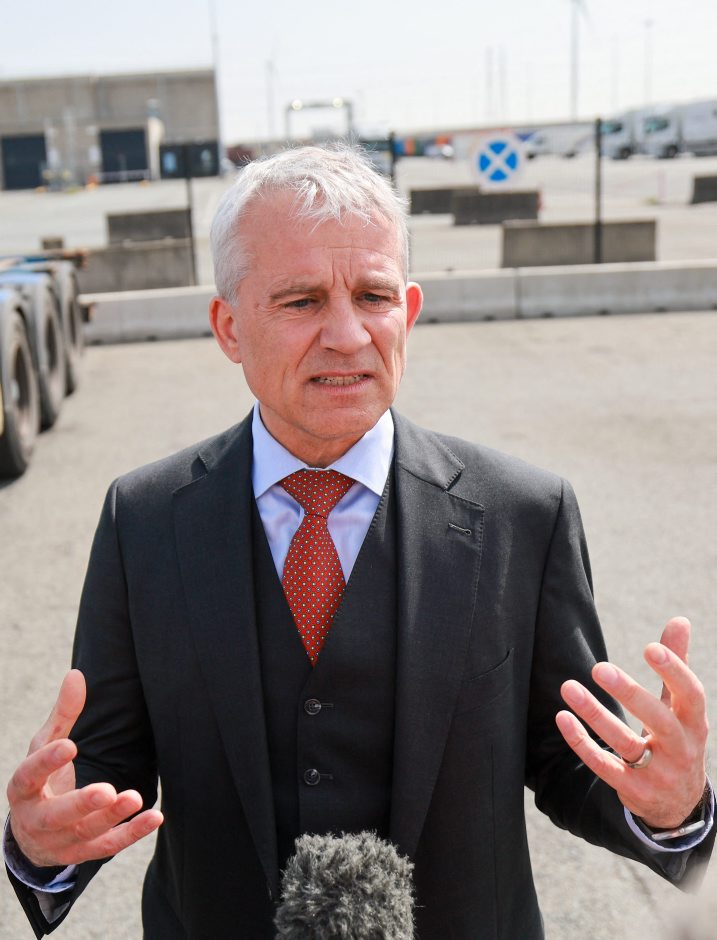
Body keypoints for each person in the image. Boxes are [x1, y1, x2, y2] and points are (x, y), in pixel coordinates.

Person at [4, 145, 713, 939]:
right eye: (300, 300)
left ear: (407, 311)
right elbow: (101, 771)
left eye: (372, 296)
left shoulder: (522, 514)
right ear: (229, 327)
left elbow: (570, 760)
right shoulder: (144, 520)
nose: (346, 335)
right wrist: (42, 843)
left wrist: (669, 806)